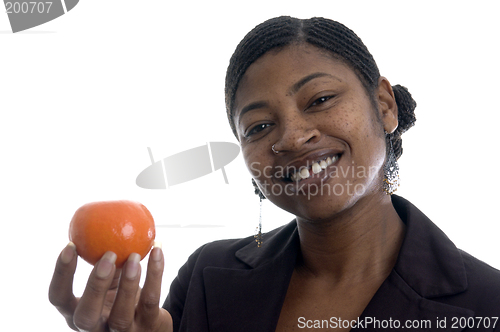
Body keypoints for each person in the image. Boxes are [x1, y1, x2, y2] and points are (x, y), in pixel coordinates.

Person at [49, 16, 500, 331]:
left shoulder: (487, 304)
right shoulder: (208, 278)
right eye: (259, 126)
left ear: (384, 106)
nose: (291, 137)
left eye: (320, 99)